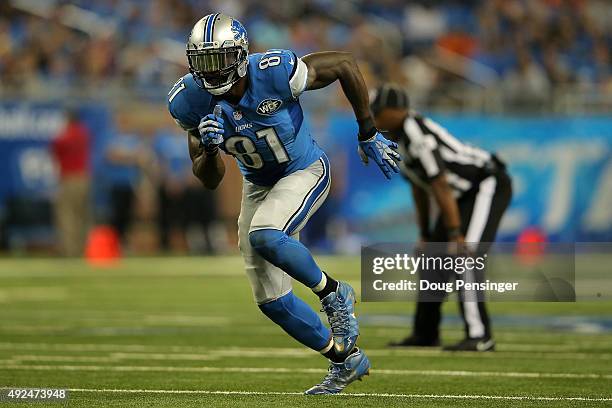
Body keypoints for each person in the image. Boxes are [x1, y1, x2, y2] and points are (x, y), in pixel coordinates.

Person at [168, 14, 400, 394]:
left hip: (304, 169)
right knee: (271, 300)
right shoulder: (190, 101)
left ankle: (333, 293)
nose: (210, 71)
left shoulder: (274, 73)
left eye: (219, 59)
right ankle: (345, 360)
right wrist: (209, 151)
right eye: (203, 61)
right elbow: (208, 180)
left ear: (241, 55)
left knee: (265, 234)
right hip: (257, 184)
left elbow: (343, 62)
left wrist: (368, 130)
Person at [370, 84, 512, 352]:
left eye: (379, 112)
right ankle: (425, 333)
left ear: (397, 111)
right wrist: (425, 234)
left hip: (484, 183)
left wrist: (456, 234)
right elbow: (419, 188)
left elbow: (440, 185)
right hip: (458, 194)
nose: (375, 119)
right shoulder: (396, 138)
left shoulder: (416, 134)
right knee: (431, 258)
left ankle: (480, 335)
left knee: (464, 255)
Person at [50, 109, 91, 256]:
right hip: (84, 177)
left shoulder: (66, 135)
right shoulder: (84, 133)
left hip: (69, 178)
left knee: (66, 215)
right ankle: (82, 249)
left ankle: (69, 251)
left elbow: (55, 146)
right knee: (81, 215)